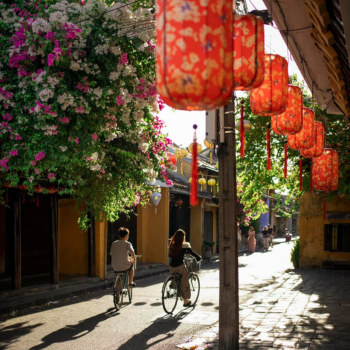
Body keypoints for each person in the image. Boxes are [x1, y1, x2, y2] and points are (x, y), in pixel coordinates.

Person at [169, 229, 202, 307]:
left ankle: (174, 283)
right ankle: (186, 300)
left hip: (172, 267)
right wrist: (198, 257)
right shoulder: (185, 246)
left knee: (176, 277)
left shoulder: (172, 245)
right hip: (180, 266)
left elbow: (171, 256)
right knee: (185, 279)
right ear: (182, 237)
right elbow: (192, 252)